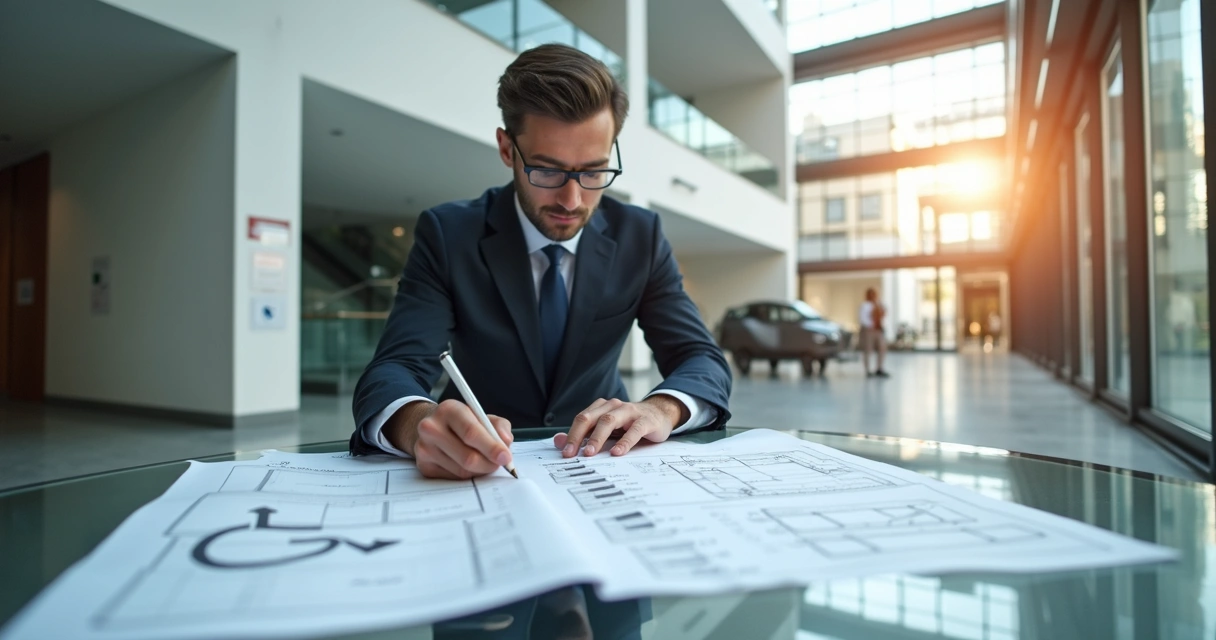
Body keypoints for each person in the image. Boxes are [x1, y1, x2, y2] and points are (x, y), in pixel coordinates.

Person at [348, 44, 732, 479]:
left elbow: (700, 358)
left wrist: (663, 409)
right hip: (479, 468)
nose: (572, 200)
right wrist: (417, 425)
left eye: (593, 172)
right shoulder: (448, 234)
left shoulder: (639, 236)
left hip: (604, 462)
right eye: (547, 171)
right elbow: (394, 368)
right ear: (508, 150)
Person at [859, 288, 889, 378]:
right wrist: (870, 326)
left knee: (882, 348)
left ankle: (879, 368)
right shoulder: (864, 305)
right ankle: (867, 370)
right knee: (868, 350)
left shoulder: (878, 304)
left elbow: (883, 314)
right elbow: (862, 318)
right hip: (869, 330)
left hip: (878, 329)